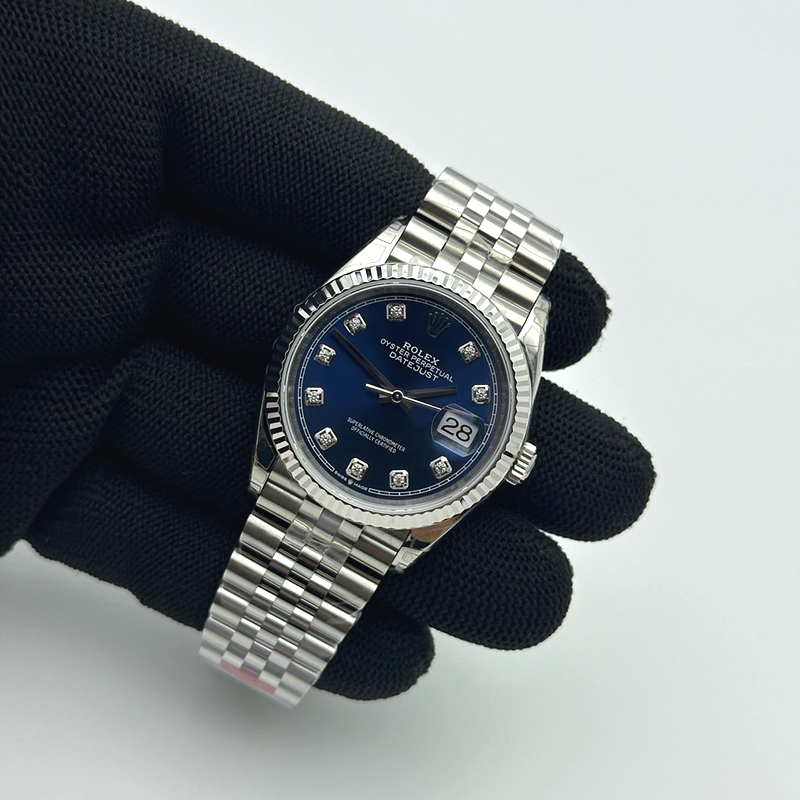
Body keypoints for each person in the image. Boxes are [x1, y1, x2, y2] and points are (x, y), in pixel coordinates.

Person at [0, 0, 655, 700]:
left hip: (368, 478)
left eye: (408, 397)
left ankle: (265, 651)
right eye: (391, 388)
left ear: (507, 457)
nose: (397, 396)